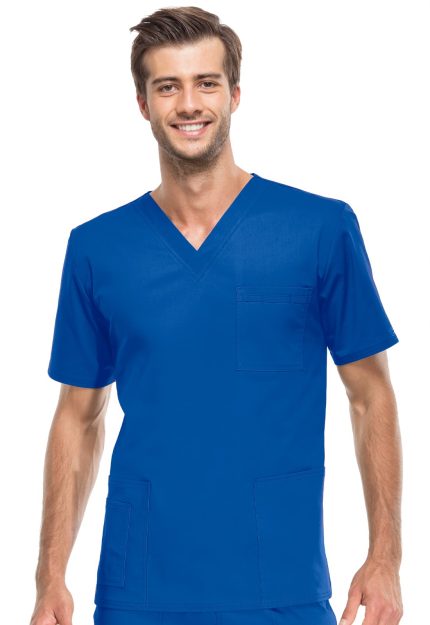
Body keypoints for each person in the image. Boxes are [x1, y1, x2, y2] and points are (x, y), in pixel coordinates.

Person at [30, 6, 404, 625]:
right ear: (143, 103)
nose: (189, 104)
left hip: (281, 586)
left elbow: (370, 396)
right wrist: (50, 577)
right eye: (167, 86)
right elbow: (78, 415)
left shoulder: (319, 229)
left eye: (206, 82)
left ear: (234, 94)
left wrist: (385, 557)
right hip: (138, 591)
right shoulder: (98, 248)